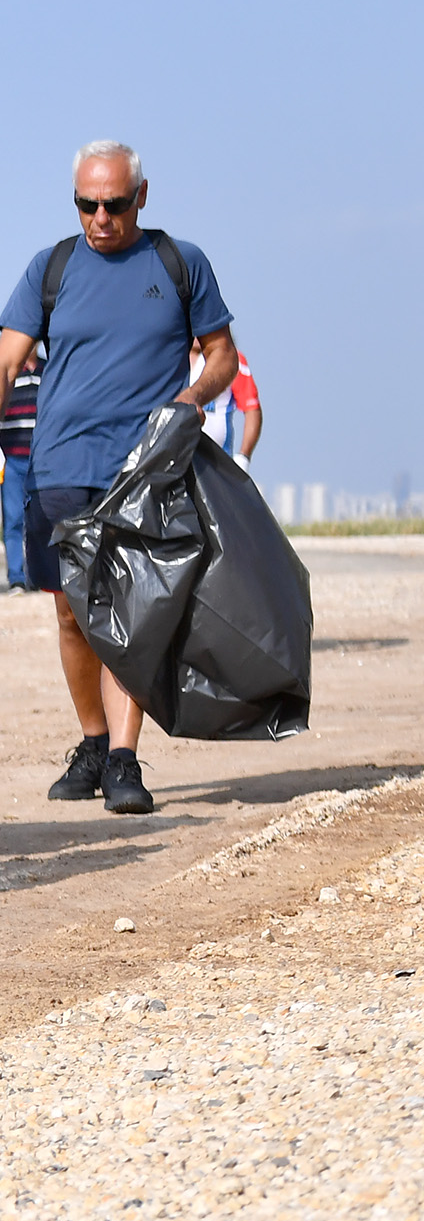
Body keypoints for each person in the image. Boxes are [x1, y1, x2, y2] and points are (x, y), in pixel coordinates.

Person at [0, 142, 238, 816]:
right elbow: (7, 357)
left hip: (143, 471)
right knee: (73, 615)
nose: (99, 216)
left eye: (112, 202)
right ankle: (95, 746)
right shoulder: (52, 268)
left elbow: (221, 356)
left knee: (132, 612)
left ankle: (128, 761)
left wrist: (193, 398)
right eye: (86, 203)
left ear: (141, 195)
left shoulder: (179, 263)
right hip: (59, 466)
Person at [191, 338, 261, 469]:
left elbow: (252, 408)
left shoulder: (231, 359)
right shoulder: (171, 361)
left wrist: (243, 457)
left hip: (217, 462)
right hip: (177, 460)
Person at [2, 350, 39, 591]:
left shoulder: (50, 370)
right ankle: (17, 577)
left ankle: (38, 577)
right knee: (13, 519)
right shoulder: (5, 373)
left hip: (42, 461)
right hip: (12, 459)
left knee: (40, 521)